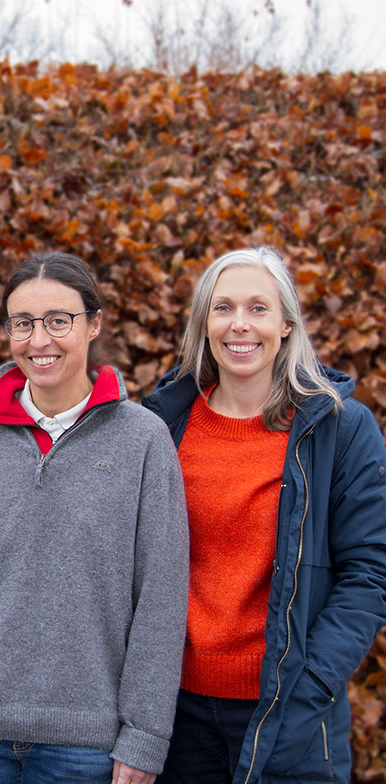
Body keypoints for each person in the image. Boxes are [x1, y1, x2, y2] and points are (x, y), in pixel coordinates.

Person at [0, 252, 189, 784]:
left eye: (59, 320)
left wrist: (145, 736)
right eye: (23, 323)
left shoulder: (143, 440)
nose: (40, 340)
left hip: (92, 747)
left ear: (94, 323)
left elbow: (161, 598)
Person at [142, 246, 386, 784]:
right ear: (204, 323)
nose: (239, 325)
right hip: (176, 711)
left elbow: (369, 574)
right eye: (223, 307)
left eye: (258, 308)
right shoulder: (161, 427)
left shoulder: (341, 430)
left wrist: (311, 684)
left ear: (286, 324)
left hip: (290, 707)